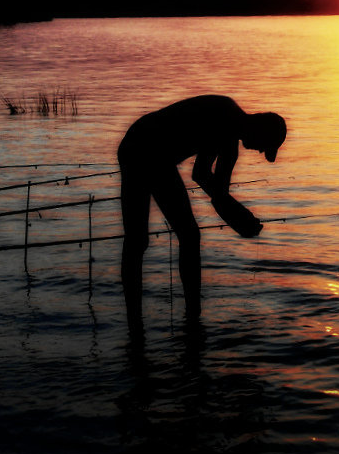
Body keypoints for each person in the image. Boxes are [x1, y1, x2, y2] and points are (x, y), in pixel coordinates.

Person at [117, 95, 287, 327]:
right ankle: (168, 317)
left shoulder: (231, 143)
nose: (259, 152)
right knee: (148, 239)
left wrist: (240, 218)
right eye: (264, 147)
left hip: (155, 156)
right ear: (259, 127)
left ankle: (179, 317)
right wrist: (239, 216)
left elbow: (212, 188)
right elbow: (212, 187)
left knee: (165, 238)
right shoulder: (225, 115)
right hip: (141, 146)